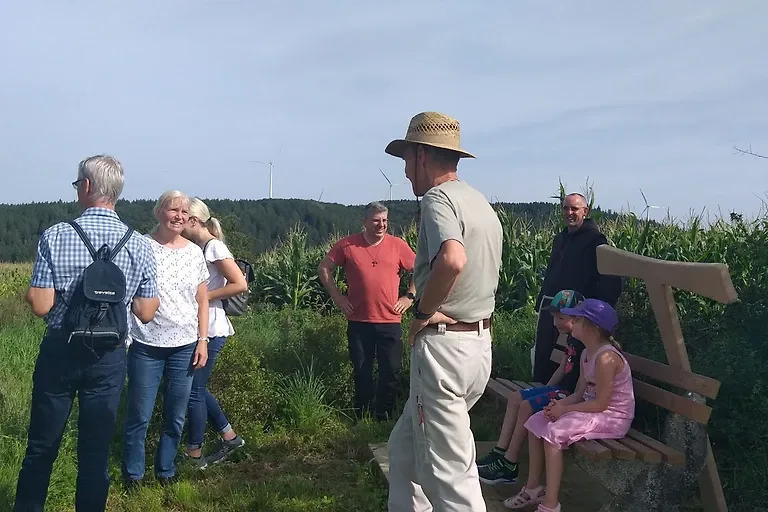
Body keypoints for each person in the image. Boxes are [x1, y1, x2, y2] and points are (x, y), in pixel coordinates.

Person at [14, 155, 159, 512]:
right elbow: (146, 310)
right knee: (94, 454)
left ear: (88, 186)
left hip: (61, 352)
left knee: (41, 447)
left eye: (78, 184)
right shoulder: (139, 243)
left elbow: (42, 306)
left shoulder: (57, 235)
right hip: (109, 358)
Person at [383, 111, 503, 511]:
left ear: (420, 155)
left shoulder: (438, 199)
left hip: (444, 351)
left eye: (404, 160)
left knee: (452, 479)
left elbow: (452, 260)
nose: (404, 172)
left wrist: (421, 312)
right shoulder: (479, 202)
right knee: (403, 455)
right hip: (477, 345)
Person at [507, 299, 635, 511]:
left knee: (554, 433)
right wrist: (558, 406)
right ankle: (532, 488)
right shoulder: (587, 353)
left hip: (613, 416)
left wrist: (564, 411)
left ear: (592, 328)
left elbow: (602, 403)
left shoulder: (607, 359)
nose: (571, 323)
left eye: (576, 319)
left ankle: (551, 504)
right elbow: (579, 394)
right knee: (535, 421)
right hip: (593, 409)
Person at [121, 190, 210, 488]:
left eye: (184, 212)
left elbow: (202, 301)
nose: (180, 217)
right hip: (146, 345)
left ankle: (166, 470)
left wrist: (203, 340)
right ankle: (133, 475)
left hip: (184, 346)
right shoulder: (142, 246)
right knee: (139, 415)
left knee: (175, 415)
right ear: (159, 212)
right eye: (174, 210)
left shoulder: (194, 252)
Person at [318, 201, 416, 421]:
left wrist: (409, 296)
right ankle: (361, 417)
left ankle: (385, 418)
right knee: (362, 371)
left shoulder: (398, 245)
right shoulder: (347, 245)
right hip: (359, 320)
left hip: (390, 320)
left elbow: (420, 270)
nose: (381, 225)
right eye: (376, 220)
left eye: (384, 221)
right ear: (365, 222)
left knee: (390, 372)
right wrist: (338, 297)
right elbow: (324, 268)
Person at [477, 289, 585, 485]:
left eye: (561, 317)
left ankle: (510, 464)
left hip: (571, 396)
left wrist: (551, 395)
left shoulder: (584, 342)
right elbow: (563, 366)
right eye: (554, 317)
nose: (555, 322)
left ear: (579, 317)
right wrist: (544, 389)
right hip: (561, 390)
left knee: (527, 406)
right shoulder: (572, 337)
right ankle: (500, 453)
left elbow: (580, 386)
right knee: (516, 398)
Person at [181, 197, 248, 467]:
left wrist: (205, 296)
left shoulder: (213, 247)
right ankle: (228, 436)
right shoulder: (201, 247)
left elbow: (239, 283)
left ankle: (195, 453)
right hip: (203, 327)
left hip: (213, 328)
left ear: (195, 221)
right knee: (195, 388)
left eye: (184, 218)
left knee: (194, 390)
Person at [532, 193, 622, 385]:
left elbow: (610, 280)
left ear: (585, 211)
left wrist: (593, 313)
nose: (569, 213)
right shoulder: (561, 238)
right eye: (566, 208)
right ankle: (539, 397)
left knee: (570, 365)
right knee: (544, 358)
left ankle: (562, 402)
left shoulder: (596, 241)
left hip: (577, 314)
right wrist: (541, 302)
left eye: (574, 209)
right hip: (552, 307)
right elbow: (552, 273)